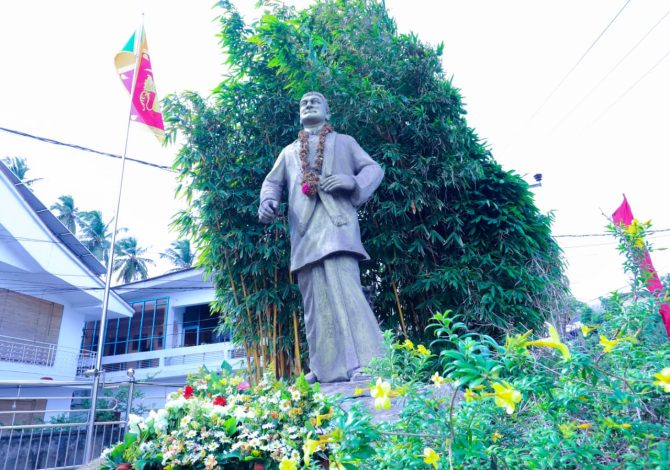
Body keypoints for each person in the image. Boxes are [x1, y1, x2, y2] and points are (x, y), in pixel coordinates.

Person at [258, 91, 386, 383]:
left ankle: (369, 363)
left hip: (337, 226)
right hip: (304, 233)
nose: (308, 104)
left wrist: (351, 181)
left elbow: (373, 169)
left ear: (328, 113)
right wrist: (268, 202)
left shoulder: (345, 142)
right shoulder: (289, 152)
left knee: (346, 292)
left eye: (315, 101)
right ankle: (326, 369)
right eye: (303, 102)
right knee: (315, 302)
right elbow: (272, 183)